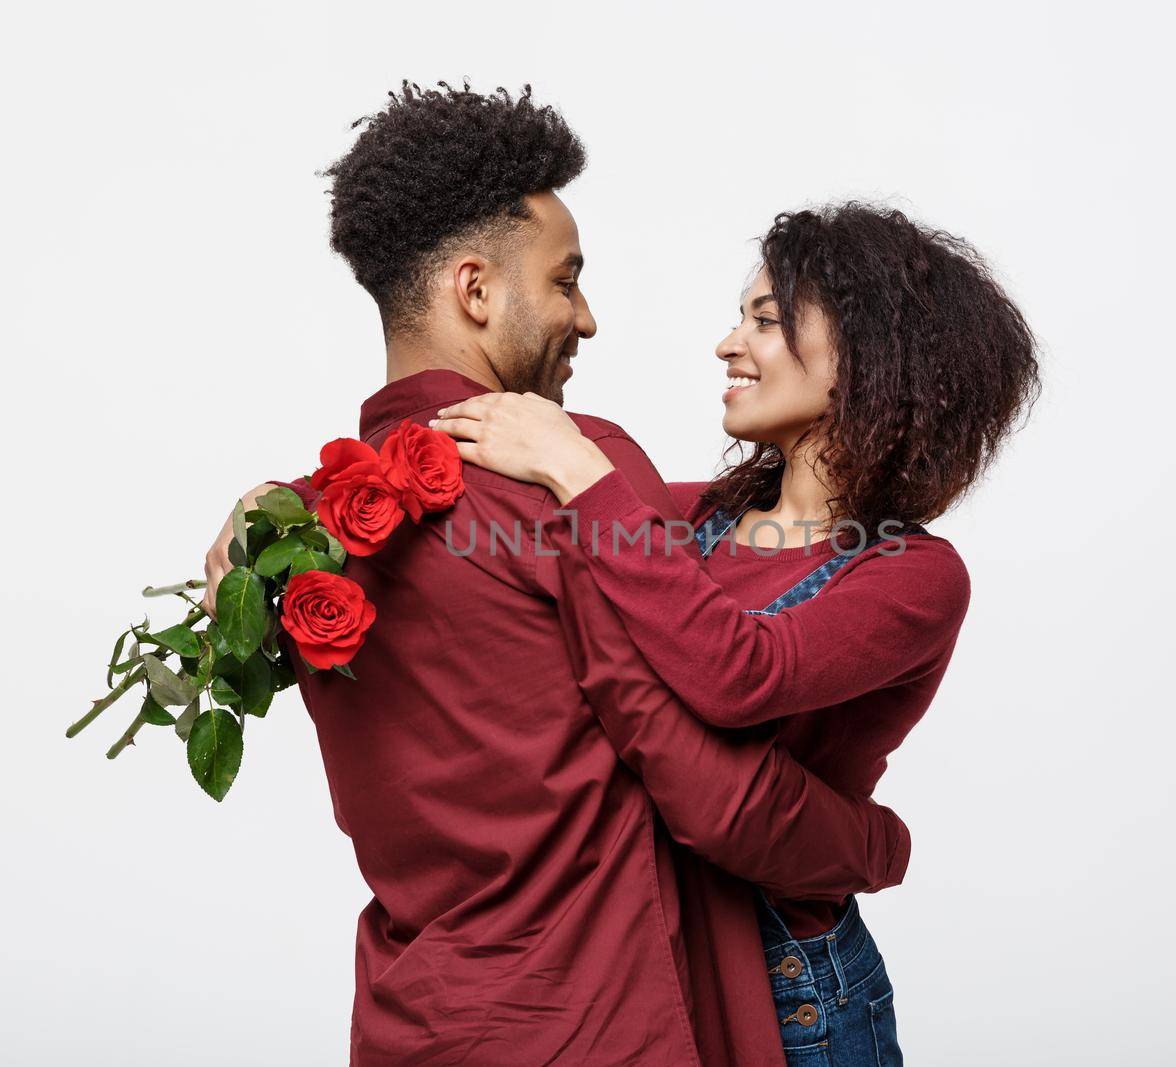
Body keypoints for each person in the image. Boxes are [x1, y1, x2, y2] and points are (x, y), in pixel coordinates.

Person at [201, 81, 912, 1066]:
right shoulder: (577, 475)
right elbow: (719, 782)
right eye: (566, 279)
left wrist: (265, 505)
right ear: (476, 291)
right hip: (608, 1020)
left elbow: (735, 512)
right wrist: (878, 845)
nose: (586, 317)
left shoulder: (304, 537)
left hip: (420, 1023)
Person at [427, 201, 1041, 1065]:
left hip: (797, 989)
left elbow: (739, 671)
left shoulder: (912, 575)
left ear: (865, 357)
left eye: (764, 320)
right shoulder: (699, 518)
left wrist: (575, 463)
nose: (728, 344)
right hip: (663, 957)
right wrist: (280, 506)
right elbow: (476, 489)